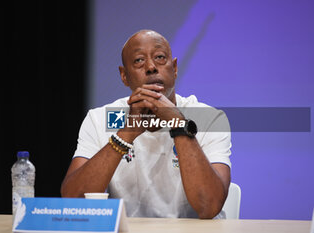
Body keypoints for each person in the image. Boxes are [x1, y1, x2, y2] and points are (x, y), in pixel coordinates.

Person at [61, 30, 231, 219]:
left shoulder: (207, 118)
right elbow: (73, 202)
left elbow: (208, 206)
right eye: (139, 61)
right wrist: (126, 134)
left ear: (174, 68)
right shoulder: (102, 118)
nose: (151, 67)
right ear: (124, 75)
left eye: (159, 57)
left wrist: (178, 124)